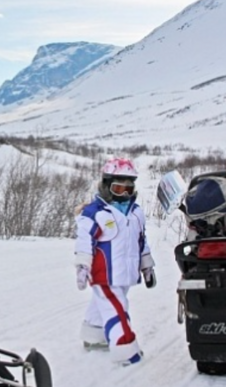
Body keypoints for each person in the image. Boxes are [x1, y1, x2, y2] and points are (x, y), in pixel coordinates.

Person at [73, 157, 155, 366]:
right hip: (105, 274)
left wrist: (147, 267)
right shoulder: (95, 212)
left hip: (126, 273)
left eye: (129, 188)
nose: (125, 193)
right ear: (107, 186)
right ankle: (126, 350)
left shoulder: (136, 213)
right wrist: (83, 266)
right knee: (117, 308)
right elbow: (84, 242)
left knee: (105, 303)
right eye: (119, 188)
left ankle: (94, 334)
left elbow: (141, 241)